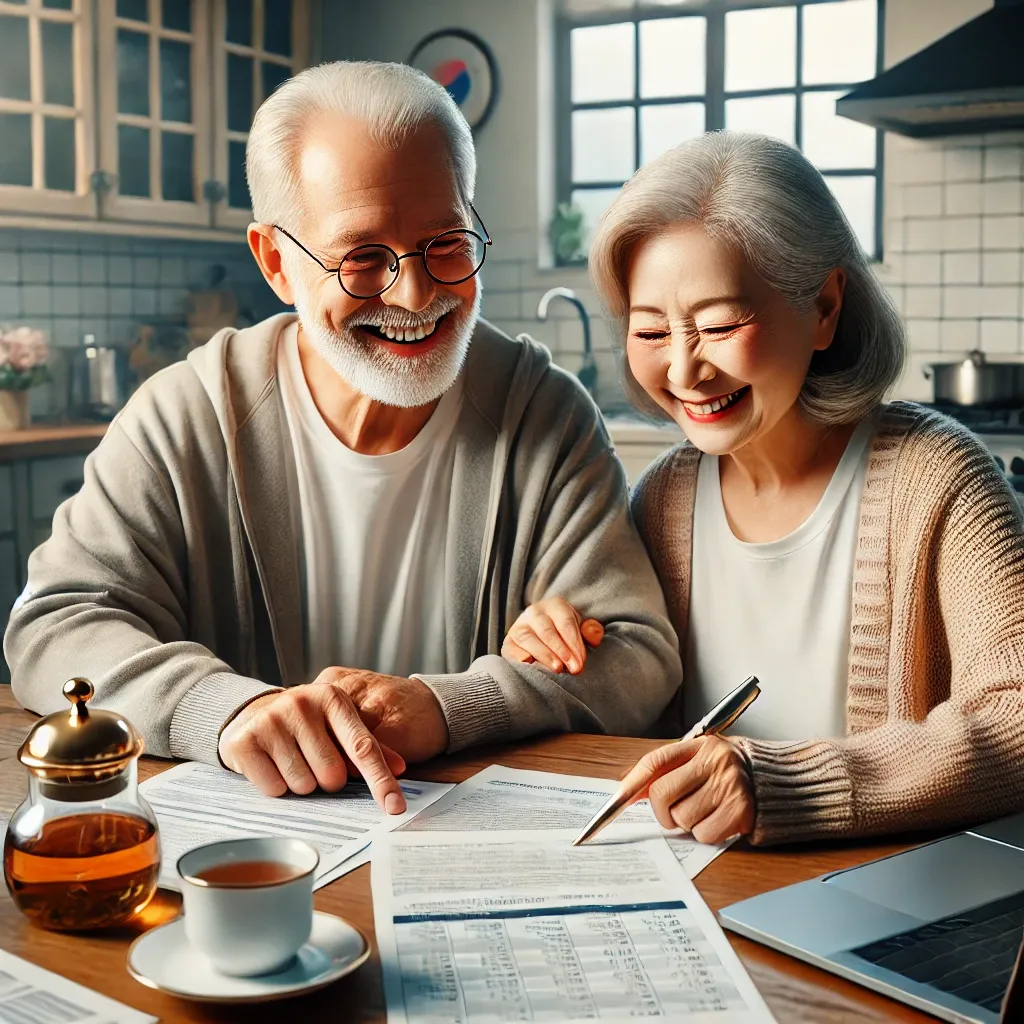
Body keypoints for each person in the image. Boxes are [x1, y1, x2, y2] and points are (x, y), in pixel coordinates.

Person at [4, 61, 681, 813]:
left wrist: (450, 707)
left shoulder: (542, 414)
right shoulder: (185, 416)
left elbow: (637, 654)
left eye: (447, 243)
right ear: (275, 264)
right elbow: (56, 624)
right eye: (362, 258)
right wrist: (224, 709)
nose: (416, 295)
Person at [502, 131, 1024, 847]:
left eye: (720, 325)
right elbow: (642, 721)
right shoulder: (662, 499)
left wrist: (783, 786)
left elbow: (1017, 713)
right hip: (712, 891)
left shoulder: (938, 477)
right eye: (651, 332)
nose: (686, 374)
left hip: (884, 900)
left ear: (825, 308)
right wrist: (563, 653)